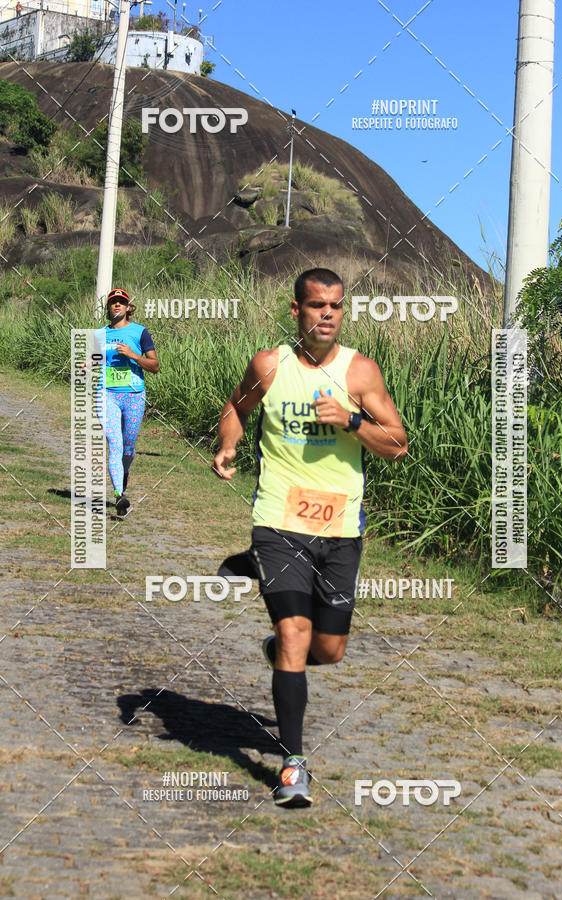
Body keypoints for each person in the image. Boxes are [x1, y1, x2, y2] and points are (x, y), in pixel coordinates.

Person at [212, 267, 407, 807]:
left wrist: (350, 421)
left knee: (330, 648)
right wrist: (229, 445)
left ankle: (279, 651)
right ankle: (293, 765)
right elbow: (236, 408)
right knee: (296, 633)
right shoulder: (270, 366)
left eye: (336, 306)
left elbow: (397, 444)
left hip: (340, 529)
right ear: (295, 310)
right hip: (279, 521)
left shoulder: (360, 372)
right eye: (317, 305)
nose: (327, 314)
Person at [95, 288, 158, 516]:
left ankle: (125, 471)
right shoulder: (100, 334)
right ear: (109, 308)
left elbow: (155, 366)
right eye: (113, 302)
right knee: (115, 442)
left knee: (128, 448)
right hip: (107, 394)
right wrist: (86, 365)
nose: (117, 305)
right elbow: (93, 359)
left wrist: (132, 355)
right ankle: (119, 495)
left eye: (122, 302)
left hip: (133, 395)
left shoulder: (140, 332)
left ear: (128, 307)